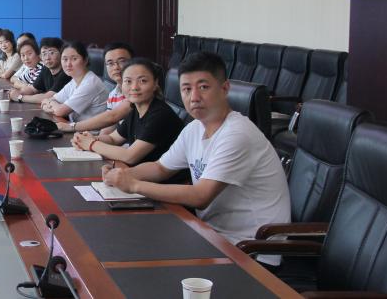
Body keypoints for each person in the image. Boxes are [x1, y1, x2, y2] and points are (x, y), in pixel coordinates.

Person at [102, 52, 290, 265]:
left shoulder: (238, 134)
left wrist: (134, 185)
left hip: (252, 250)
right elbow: (160, 168)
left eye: (203, 87)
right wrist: (122, 174)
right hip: (211, 235)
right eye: (186, 89)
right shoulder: (194, 128)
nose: (194, 97)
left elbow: (201, 196)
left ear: (225, 88)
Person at [72, 58, 184, 166]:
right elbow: (113, 139)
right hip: (138, 173)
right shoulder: (135, 109)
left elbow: (130, 156)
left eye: (143, 81)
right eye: (128, 81)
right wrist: (90, 138)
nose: (134, 87)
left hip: (163, 178)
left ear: (155, 84)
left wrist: (91, 144)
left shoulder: (160, 115)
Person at [57, 42, 135, 134]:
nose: (116, 67)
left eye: (122, 61)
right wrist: (95, 140)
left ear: (134, 62)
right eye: (110, 63)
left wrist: (72, 126)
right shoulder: (113, 94)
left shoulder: (136, 91)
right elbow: (109, 129)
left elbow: (112, 117)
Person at [41, 41, 108, 123]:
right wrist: (49, 102)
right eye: (65, 59)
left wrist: (49, 104)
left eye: (74, 59)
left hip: (91, 130)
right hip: (75, 127)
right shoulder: (74, 81)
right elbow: (48, 100)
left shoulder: (90, 83)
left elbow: (60, 111)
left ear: (85, 60)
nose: (68, 64)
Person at [9, 37, 70, 104]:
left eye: (52, 53)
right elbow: (32, 89)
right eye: (44, 53)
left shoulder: (66, 73)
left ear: (62, 54)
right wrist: (17, 93)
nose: (47, 58)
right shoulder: (46, 69)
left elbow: (48, 97)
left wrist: (20, 97)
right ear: (40, 55)